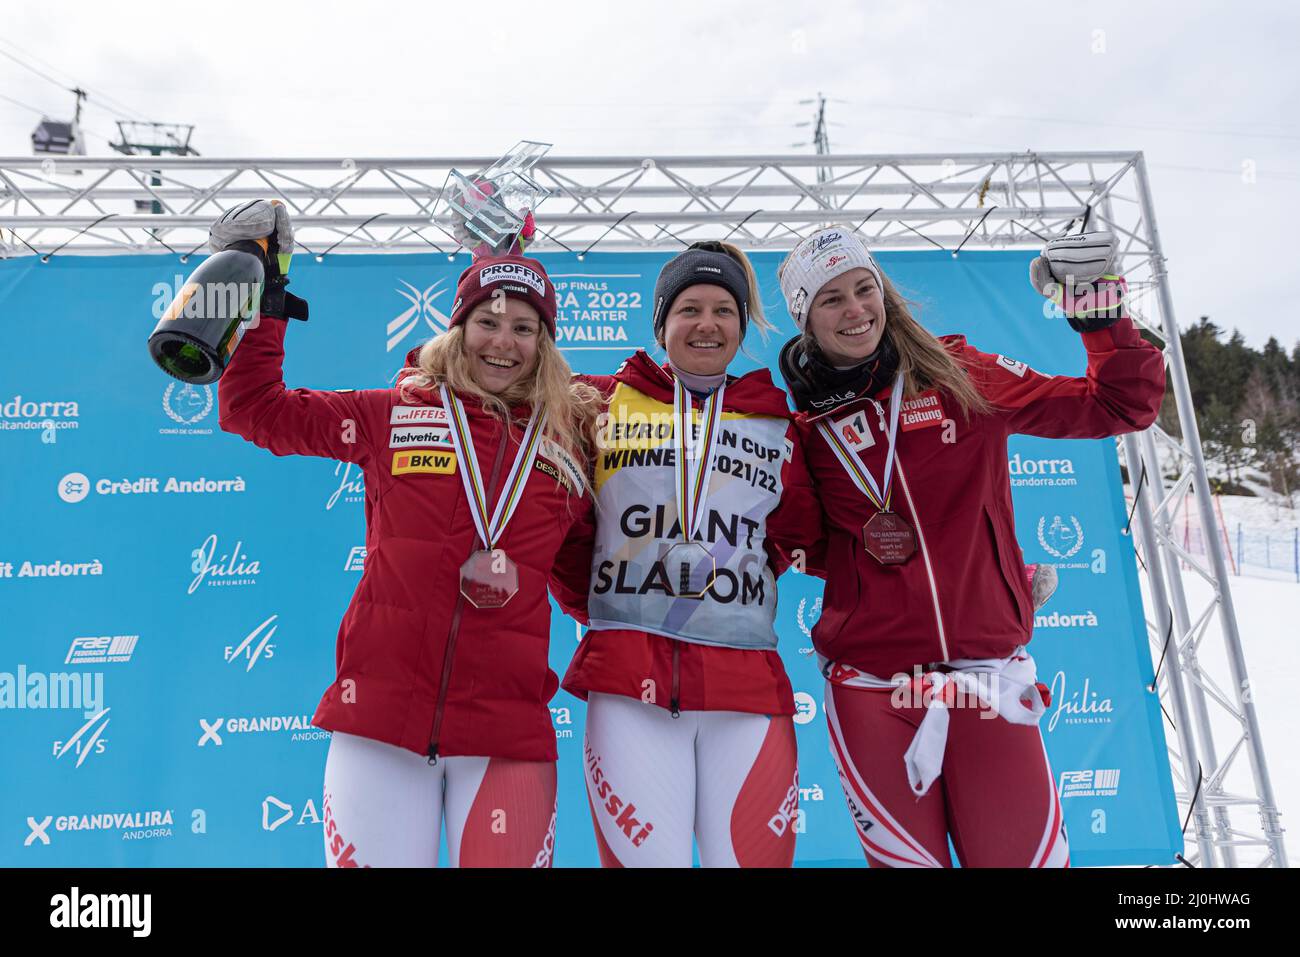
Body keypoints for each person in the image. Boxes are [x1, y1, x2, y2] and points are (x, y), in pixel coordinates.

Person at [215, 200, 601, 867]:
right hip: (380, 727)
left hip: (507, 733)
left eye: (523, 328)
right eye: (486, 322)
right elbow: (255, 411)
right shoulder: (392, 416)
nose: (502, 342)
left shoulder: (568, 446)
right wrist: (263, 297)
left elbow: (579, 576)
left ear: (545, 345)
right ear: (457, 330)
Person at [775, 225, 1165, 867]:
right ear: (805, 320)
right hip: (876, 690)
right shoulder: (808, 429)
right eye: (831, 299)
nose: (855, 310)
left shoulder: (962, 376)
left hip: (987, 683)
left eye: (864, 289)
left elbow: (1117, 405)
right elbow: (810, 548)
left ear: (885, 294)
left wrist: (1100, 313)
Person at [552, 241, 821, 867]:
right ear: (660, 324)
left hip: (746, 690)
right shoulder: (598, 403)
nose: (707, 324)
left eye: (724, 310)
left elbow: (794, 536)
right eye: (689, 309)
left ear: (741, 323)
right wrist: (608, 602)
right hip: (629, 688)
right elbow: (568, 534)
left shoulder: (777, 423)